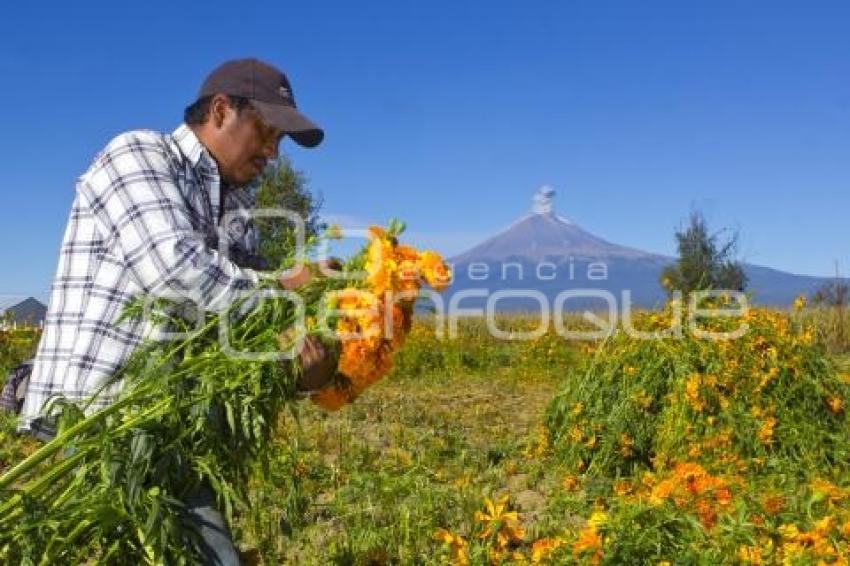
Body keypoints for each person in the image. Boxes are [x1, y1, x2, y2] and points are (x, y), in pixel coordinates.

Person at [18, 58, 335, 564]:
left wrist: (300, 370)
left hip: (166, 425)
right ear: (220, 110)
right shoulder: (139, 155)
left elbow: (248, 330)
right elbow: (175, 274)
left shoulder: (237, 212)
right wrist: (288, 286)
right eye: (267, 132)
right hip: (103, 414)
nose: (274, 153)